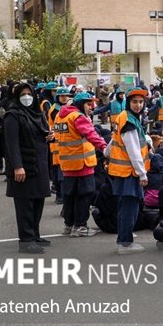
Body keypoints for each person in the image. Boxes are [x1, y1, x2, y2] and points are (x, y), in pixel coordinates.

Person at [4, 82, 53, 253]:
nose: (27, 97)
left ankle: (34, 235)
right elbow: (12, 144)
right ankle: (26, 241)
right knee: (25, 205)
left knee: (38, 201)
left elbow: (40, 133)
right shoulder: (13, 115)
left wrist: (49, 137)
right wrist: (17, 166)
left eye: (29, 94)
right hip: (24, 165)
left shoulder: (38, 114)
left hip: (39, 163)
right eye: (23, 94)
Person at [105, 87, 152, 254]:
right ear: (128, 102)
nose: (138, 105)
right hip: (129, 172)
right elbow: (133, 151)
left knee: (125, 207)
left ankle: (123, 240)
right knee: (129, 209)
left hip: (123, 171)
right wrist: (142, 173)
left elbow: (114, 140)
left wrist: (106, 152)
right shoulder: (129, 121)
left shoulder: (125, 116)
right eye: (134, 102)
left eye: (140, 102)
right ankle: (125, 243)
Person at [55, 91, 106, 237]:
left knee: (70, 195)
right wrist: (105, 147)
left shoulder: (60, 116)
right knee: (84, 195)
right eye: (88, 104)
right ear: (80, 104)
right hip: (82, 163)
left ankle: (68, 225)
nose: (91, 107)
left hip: (67, 163)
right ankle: (80, 226)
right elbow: (91, 135)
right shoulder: (78, 117)